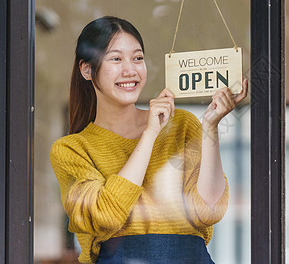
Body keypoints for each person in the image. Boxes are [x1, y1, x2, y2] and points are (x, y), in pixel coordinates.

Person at [50, 16, 248, 263]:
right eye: (116, 58)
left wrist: (211, 127)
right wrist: (150, 134)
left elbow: (208, 211)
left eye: (137, 58)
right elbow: (106, 215)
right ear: (87, 69)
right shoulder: (72, 149)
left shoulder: (182, 124)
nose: (130, 70)